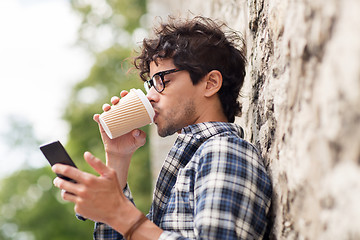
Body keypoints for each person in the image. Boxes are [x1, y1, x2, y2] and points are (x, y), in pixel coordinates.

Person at [52, 16, 272, 240]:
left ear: (210, 83)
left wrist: (120, 214)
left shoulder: (224, 152)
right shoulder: (191, 160)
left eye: (162, 80)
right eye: (151, 84)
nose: (150, 96)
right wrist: (118, 157)